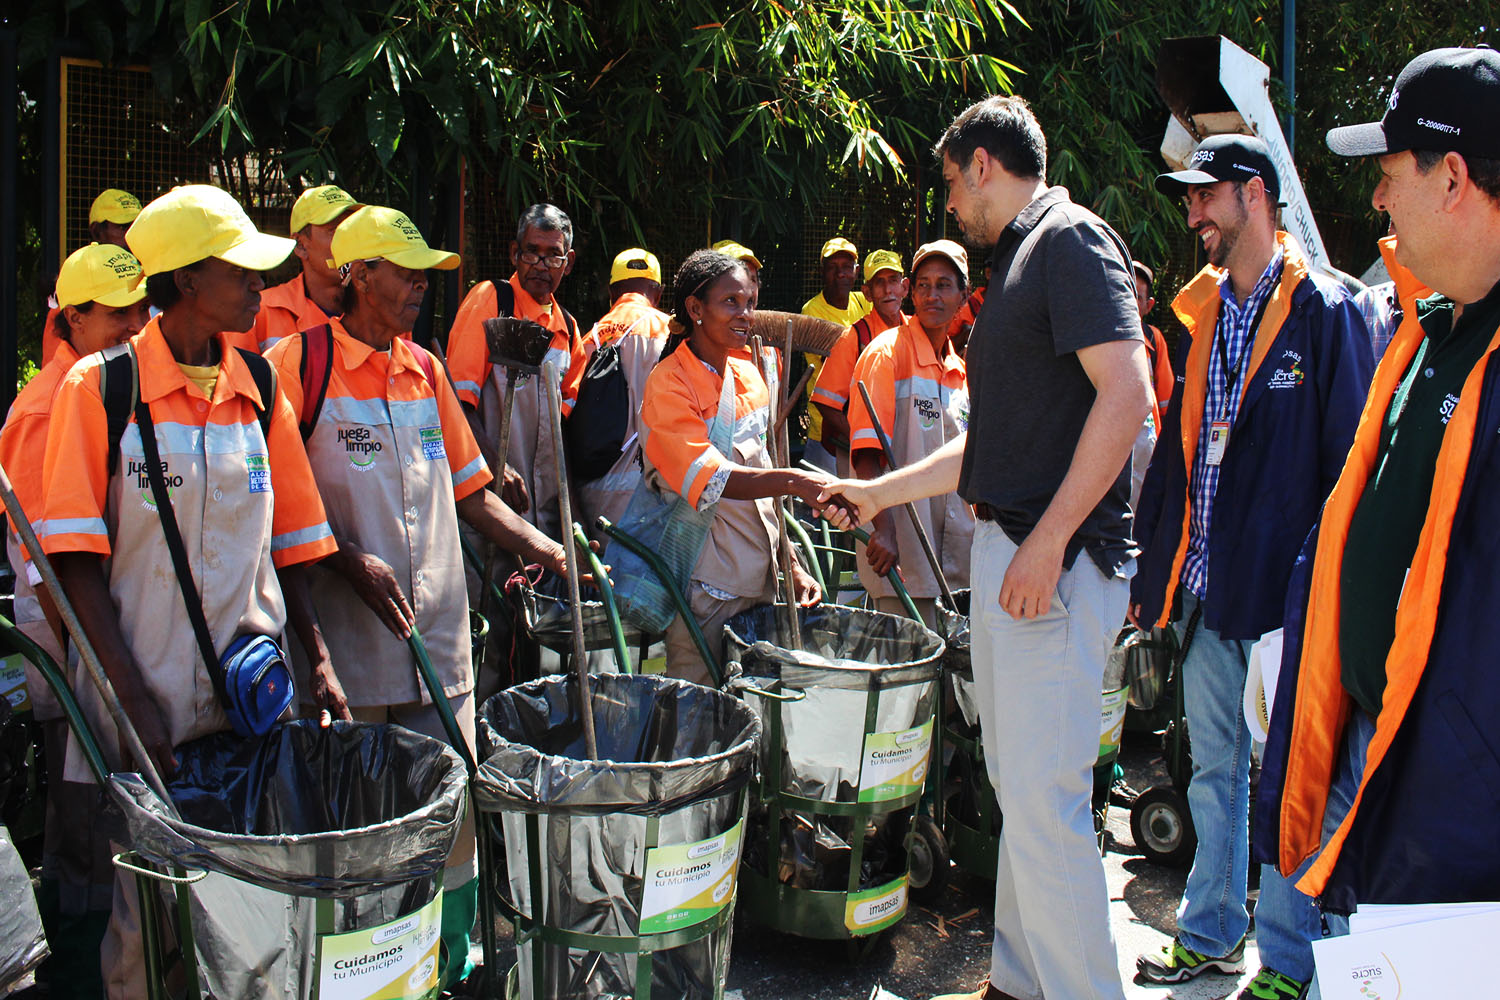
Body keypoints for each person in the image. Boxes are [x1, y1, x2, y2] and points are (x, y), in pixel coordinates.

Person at [821, 95, 1152, 1000]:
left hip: (1056, 564)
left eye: (949, 181)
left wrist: (1047, 542)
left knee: (1045, 802)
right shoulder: (1013, 266)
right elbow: (988, 444)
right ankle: (1016, 981)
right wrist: (875, 492)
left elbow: (1129, 397)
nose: (948, 205)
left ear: (979, 163)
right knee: (1022, 794)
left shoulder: (1071, 241)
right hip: (1013, 554)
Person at [37, 184, 340, 999]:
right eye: (236, 269)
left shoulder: (259, 388)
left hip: (252, 699)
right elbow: (73, 560)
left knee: (252, 902)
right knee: (150, 910)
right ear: (182, 283)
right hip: (150, 706)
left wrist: (314, 657)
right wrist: (129, 693)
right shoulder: (99, 392)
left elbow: (294, 544)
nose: (256, 284)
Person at [265, 204, 578, 987]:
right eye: (405, 274)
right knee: (361, 821)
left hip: (438, 643)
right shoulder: (294, 366)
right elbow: (273, 510)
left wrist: (547, 546)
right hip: (351, 651)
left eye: (424, 276)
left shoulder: (426, 369)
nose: (418, 289)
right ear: (358, 275)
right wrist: (346, 563)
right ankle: (366, 972)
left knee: (454, 816)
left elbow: (474, 492)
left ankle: (450, 962)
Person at [1257, 46, 1500, 957]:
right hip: (1379, 750)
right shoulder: (1433, 327)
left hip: (1456, 816)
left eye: (1391, 173)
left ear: (1456, 179)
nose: (1377, 200)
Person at [1129, 133, 1373, 1000]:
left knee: (1294, 785)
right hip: (1207, 598)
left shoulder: (1333, 313)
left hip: (1287, 611)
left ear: (1255, 197)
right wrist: (1152, 573)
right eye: (1190, 199)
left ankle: (1293, 964)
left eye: (1206, 196)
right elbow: (1180, 459)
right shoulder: (1201, 320)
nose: (1193, 213)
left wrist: (1321, 603)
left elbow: (1355, 468)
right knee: (1214, 774)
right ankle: (1210, 934)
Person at [0, 242, 149, 997]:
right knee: (83, 809)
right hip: (68, 641)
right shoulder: (46, 407)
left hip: (99, 634)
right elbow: (44, 556)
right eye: (117, 314)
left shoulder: (109, 386)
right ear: (73, 319)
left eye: (139, 310)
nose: (135, 325)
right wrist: (84, 665)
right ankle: (78, 966)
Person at [634, 249, 829, 684]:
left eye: (750, 303)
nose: (745, 314)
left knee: (757, 711)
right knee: (698, 713)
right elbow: (713, 479)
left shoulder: (749, 376)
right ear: (695, 309)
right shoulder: (669, 385)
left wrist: (790, 564)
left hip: (760, 584)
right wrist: (796, 480)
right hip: (704, 588)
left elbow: (766, 494)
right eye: (730, 302)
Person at [846, 240, 972, 628]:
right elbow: (866, 453)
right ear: (910, 291)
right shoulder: (887, 354)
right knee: (909, 677)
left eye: (944, 285)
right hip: (904, 551)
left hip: (957, 553)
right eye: (923, 285)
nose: (932, 295)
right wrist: (883, 530)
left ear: (963, 295)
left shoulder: (958, 369)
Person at [446, 203, 581, 538]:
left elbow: (561, 436)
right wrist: (496, 465)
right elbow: (456, 403)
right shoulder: (492, 301)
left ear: (569, 262)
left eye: (553, 255)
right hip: (489, 508)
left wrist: (574, 519)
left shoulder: (569, 330)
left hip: (545, 519)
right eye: (531, 253)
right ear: (514, 254)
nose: (540, 265)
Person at [566, 247, 673, 530]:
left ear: (611, 293)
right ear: (659, 293)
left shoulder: (585, 339)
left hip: (590, 495)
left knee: (602, 572)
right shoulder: (671, 334)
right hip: (650, 494)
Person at [810, 248, 909, 475]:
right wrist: (862, 438)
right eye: (878, 283)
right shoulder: (854, 338)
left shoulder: (915, 333)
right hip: (863, 458)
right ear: (867, 292)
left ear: (905, 286)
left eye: (893, 280)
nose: (887, 290)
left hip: (906, 449)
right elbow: (826, 402)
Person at [249, 184, 360, 353]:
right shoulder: (260, 311)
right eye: (335, 231)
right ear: (301, 245)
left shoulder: (381, 311)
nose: (350, 241)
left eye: (354, 230)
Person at [40, 189, 144, 366]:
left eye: (137, 226)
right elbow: (56, 374)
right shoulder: (76, 286)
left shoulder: (149, 278)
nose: (132, 235)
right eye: (122, 227)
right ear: (96, 231)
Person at [801, 237, 872, 471]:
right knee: (824, 502)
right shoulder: (812, 311)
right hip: (826, 428)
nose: (840, 273)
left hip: (862, 423)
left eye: (846, 267)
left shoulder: (864, 302)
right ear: (822, 271)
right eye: (833, 267)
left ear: (857, 271)